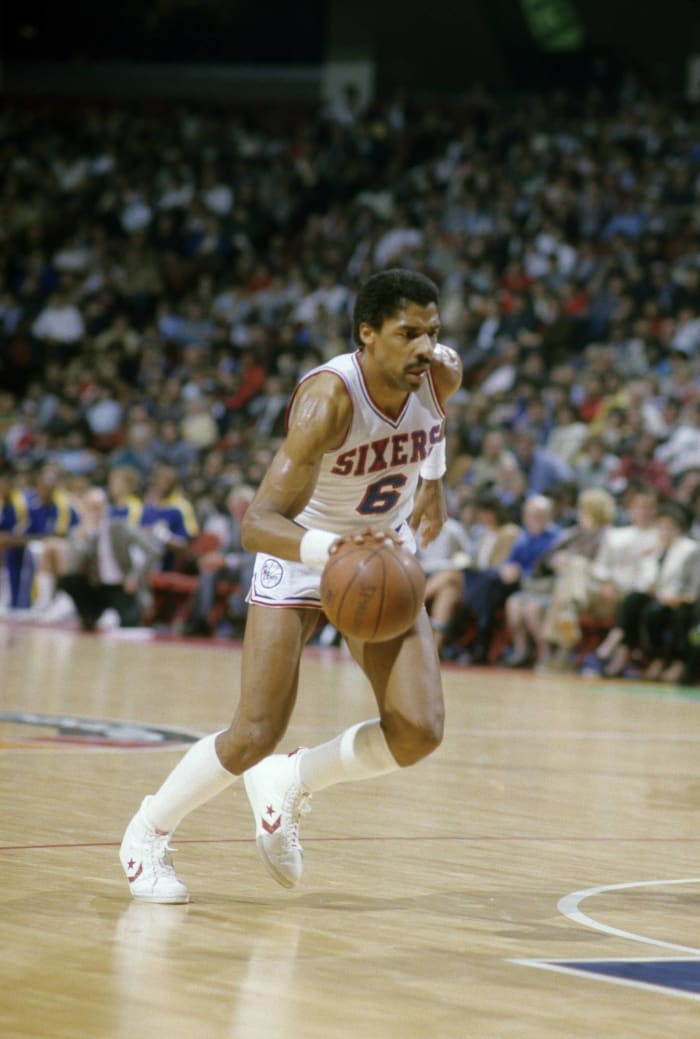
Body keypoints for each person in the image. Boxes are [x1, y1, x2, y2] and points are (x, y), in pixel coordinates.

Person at [119, 268, 463, 903]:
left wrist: (434, 483)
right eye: (407, 333)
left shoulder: (439, 371)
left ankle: (292, 781)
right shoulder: (328, 401)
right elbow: (256, 524)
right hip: (305, 546)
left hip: (382, 551)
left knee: (419, 730)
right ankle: (146, 834)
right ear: (367, 335)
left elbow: (435, 424)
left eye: (432, 333)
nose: (425, 347)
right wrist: (334, 552)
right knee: (255, 730)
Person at [55, 486, 162, 631]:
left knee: (129, 624)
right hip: (96, 588)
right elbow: (72, 568)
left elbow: (152, 551)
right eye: (89, 507)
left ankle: (114, 615)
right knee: (68, 580)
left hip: (122, 587)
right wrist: (83, 538)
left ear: (106, 507)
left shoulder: (121, 527)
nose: (93, 512)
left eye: (97, 507)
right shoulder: (78, 533)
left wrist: (135, 577)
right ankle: (87, 614)